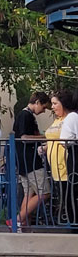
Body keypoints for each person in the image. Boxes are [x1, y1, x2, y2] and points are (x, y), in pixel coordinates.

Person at [10, 91, 50, 230]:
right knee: (44, 193)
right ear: (37, 102)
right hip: (31, 161)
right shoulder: (25, 115)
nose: (44, 111)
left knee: (29, 194)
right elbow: (24, 137)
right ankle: (17, 220)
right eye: (44, 107)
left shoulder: (24, 115)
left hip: (23, 161)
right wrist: (45, 137)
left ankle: (22, 225)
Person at [48, 90, 78, 226]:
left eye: (55, 103)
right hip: (57, 164)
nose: (52, 107)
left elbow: (65, 140)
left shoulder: (71, 117)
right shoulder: (59, 119)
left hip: (67, 161)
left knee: (70, 195)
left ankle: (73, 225)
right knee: (67, 196)